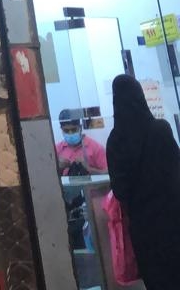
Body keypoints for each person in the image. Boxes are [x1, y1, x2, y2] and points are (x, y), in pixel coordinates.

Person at [107, 74, 180, 290]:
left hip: (144, 231)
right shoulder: (160, 130)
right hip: (174, 223)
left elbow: (120, 191)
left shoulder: (115, 141)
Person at [55, 107, 108, 175]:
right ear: (61, 129)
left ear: (80, 128)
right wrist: (59, 168)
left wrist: (88, 169)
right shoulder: (57, 149)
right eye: (66, 131)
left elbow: (109, 172)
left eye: (74, 130)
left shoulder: (96, 148)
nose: (70, 133)